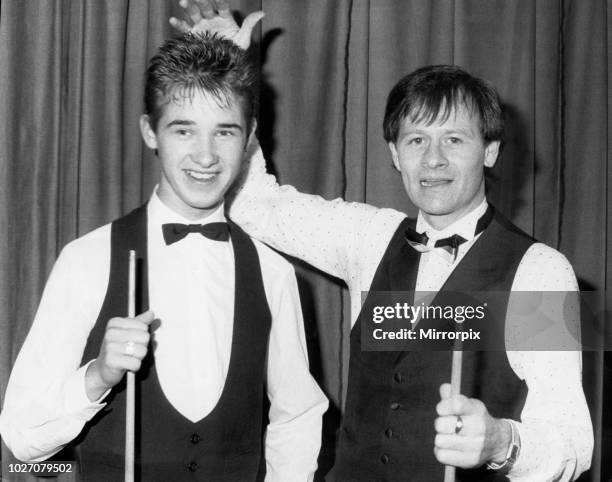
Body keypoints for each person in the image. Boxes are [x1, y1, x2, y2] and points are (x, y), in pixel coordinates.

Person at [172, 2, 594, 481]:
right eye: (416, 141)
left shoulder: (543, 270)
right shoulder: (368, 238)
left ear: (491, 150)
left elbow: (574, 442)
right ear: (395, 154)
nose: (433, 160)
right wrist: (229, 79)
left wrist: (501, 441)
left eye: (454, 140)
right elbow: (256, 206)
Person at [0, 32, 327, 482]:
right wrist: (97, 376)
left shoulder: (273, 273)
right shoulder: (86, 260)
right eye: (184, 130)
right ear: (150, 131)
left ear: (249, 138)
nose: (206, 156)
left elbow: (297, 416)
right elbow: (22, 437)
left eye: (225, 132)